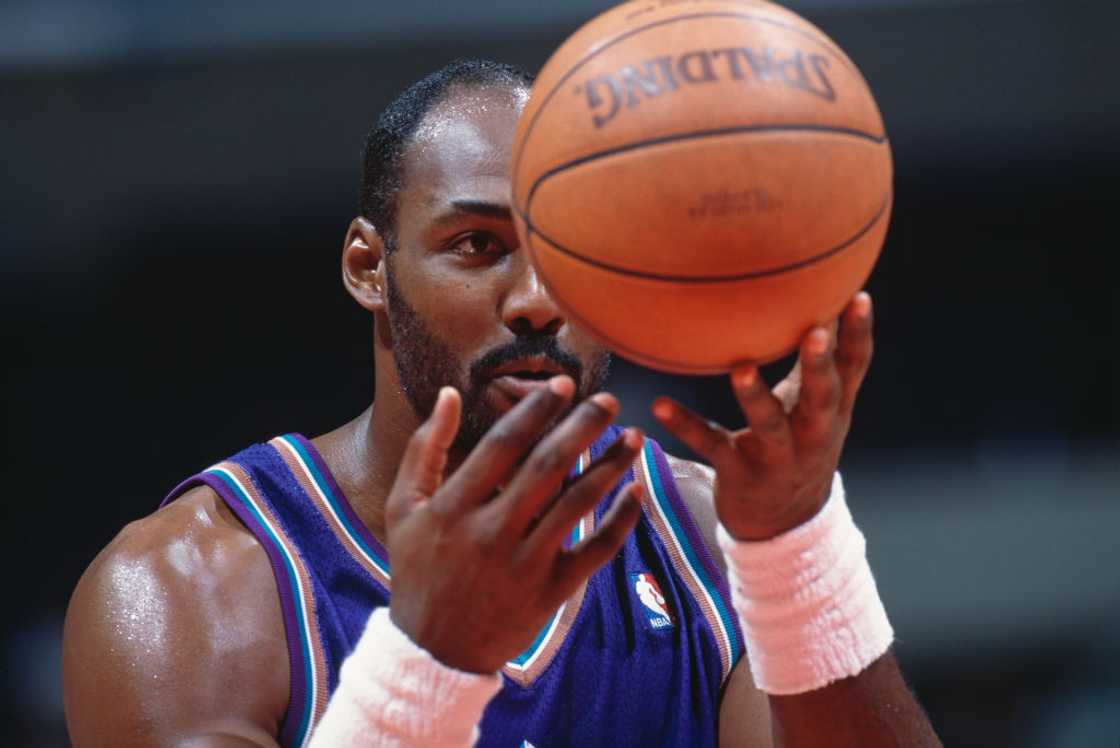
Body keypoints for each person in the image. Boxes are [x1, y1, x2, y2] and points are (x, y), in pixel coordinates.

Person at [62, 59, 940, 747]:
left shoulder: (707, 539)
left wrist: (802, 544)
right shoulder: (187, 591)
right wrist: (430, 664)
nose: (536, 299)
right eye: (478, 245)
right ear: (371, 268)